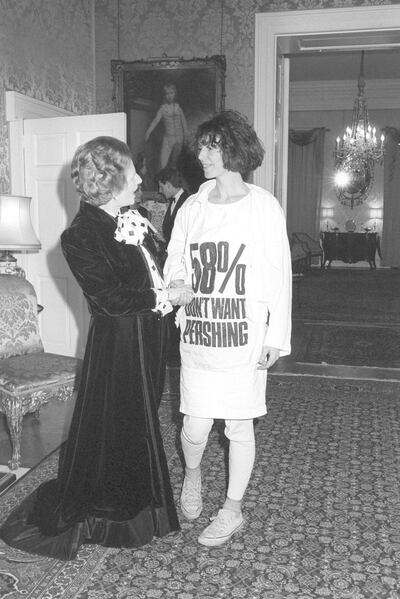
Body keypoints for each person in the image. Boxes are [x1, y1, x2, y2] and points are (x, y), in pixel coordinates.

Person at [0, 136, 193, 561]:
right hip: (120, 343)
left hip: (149, 337)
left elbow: (150, 273)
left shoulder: (135, 216)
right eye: (133, 171)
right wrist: (165, 298)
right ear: (111, 178)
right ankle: (116, 510)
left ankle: (142, 495)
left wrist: (171, 283)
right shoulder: (79, 236)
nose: (141, 178)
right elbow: (111, 300)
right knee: (122, 420)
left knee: (144, 413)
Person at [164, 110, 292, 547]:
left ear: (235, 148)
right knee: (195, 427)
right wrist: (177, 282)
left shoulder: (263, 206)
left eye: (212, 145)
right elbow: (175, 260)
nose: (202, 154)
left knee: (239, 428)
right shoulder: (192, 207)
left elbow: (281, 274)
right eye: (202, 146)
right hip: (200, 336)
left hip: (245, 336)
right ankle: (193, 474)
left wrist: (276, 336)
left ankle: (232, 509)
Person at [156, 167, 189, 365]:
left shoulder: (189, 202)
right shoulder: (173, 203)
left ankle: (178, 354)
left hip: (181, 267)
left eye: (162, 187)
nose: (161, 191)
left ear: (169, 184)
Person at [145, 83, 188, 171]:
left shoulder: (178, 108)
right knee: (163, 163)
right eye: (167, 94)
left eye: (171, 93)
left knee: (177, 163)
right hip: (168, 139)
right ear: (164, 95)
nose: (169, 96)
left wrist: (186, 137)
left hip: (179, 138)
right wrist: (148, 132)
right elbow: (155, 122)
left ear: (175, 94)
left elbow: (184, 124)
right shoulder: (162, 109)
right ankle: (162, 181)